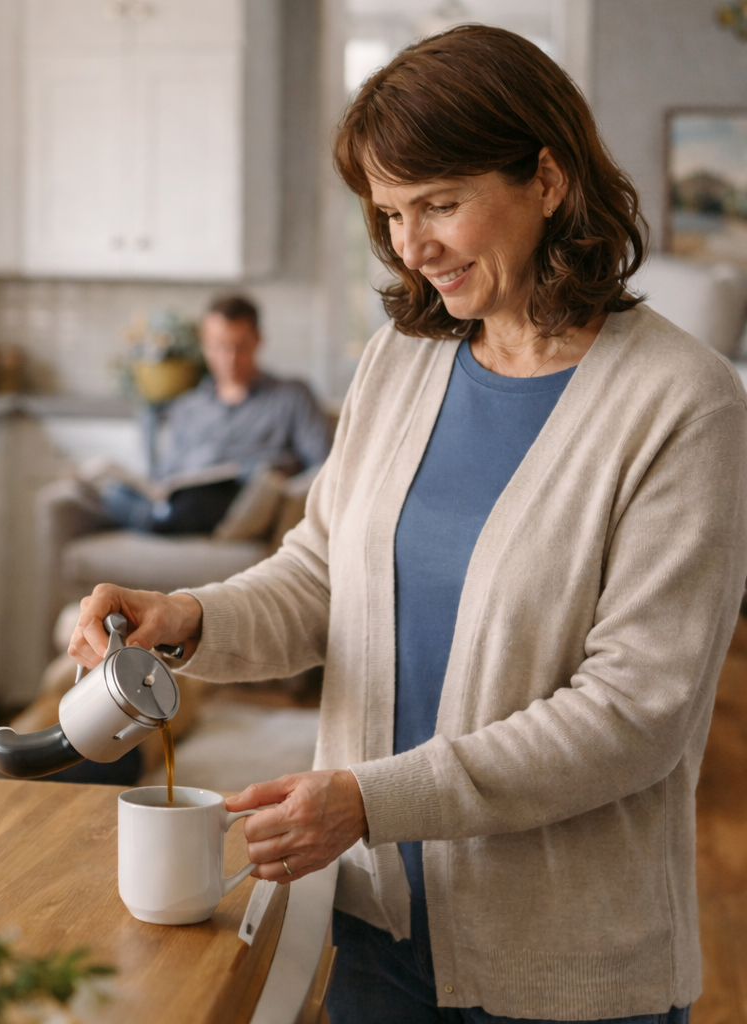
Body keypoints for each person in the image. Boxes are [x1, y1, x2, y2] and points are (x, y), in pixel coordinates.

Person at [68, 25, 746, 1024]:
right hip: (378, 930)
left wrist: (368, 802)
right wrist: (190, 617)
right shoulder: (402, 358)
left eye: (439, 203)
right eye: (390, 213)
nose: (410, 247)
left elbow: (633, 716)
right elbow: (323, 573)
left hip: (567, 965)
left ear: (547, 179)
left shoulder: (683, 403)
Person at [96, 295, 332, 535]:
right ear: (205, 345)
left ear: (258, 340)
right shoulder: (189, 406)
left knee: (185, 506)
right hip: (186, 497)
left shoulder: (292, 396)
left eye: (240, 346)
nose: (230, 358)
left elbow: (323, 467)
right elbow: (164, 477)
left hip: (240, 498)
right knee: (111, 490)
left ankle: (149, 518)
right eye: (219, 346)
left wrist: (282, 484)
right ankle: (151, 516)